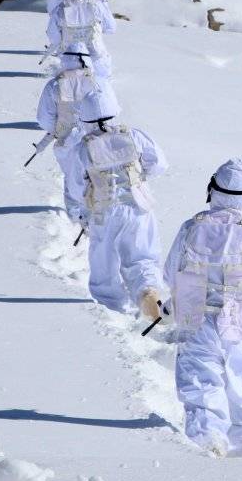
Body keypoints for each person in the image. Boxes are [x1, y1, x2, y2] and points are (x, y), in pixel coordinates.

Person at [162, 159, 242, 457]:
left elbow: (169, 273)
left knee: (202, 387)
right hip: (241, 325)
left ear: (212, 190)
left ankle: (207, 446)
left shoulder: (190, 227)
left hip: (196, 320)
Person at [65, 87, 167, 316]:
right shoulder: (133, 135)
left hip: (104, 211)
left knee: (105, 264)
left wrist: (79, 214)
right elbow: (159, 163)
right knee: (143, 256)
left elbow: (75, 187)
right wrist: (140, 177)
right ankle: (148, 292)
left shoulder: (82, 148)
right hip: (139, 206)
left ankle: (112, 309)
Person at [34, 43, 112, 178]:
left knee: (72, 180)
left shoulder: (54, 85)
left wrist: (57, 131)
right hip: (98, 141)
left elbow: (45, 119)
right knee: (99, 181)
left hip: (67, 141)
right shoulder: (101, 82)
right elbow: (111, 112)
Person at [46, 0, 115, 76]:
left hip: (72, 60)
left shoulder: (60, 10)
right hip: (98, 60)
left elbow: (52, 34)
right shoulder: (96, 6)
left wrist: (60, 44)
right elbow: (110, 26)